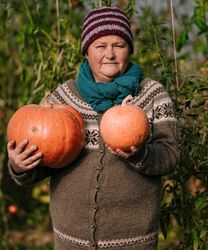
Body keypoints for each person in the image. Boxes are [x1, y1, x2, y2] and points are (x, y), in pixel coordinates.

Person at [7, 6, 179, 250]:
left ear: (129, 49)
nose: (110, 53)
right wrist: (20, 166)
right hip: (70, 241)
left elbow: (170, 156)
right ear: (86, 51)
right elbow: (48, 159)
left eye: (119, 45)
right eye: (100, 46)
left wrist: (141, 155)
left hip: (132, 242)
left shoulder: (152, 94)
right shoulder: (63, 98)